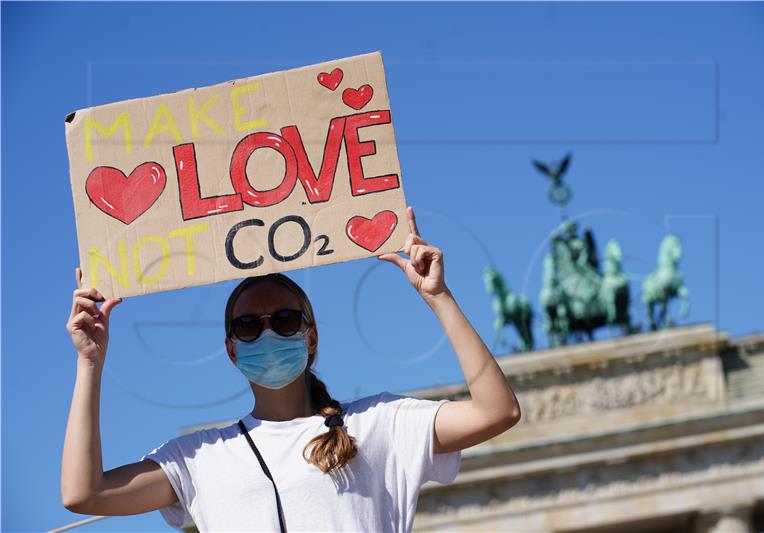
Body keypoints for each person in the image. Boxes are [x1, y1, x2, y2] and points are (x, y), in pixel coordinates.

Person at [62, 206, 521, 532]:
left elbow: (497, 412)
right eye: (247, 326)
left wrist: (438, 297)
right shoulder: (198, 457)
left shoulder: (379, 422)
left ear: (311, 336)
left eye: (283, 320)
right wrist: (90, 361)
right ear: (230, 349)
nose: (267, 333)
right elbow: (83, 493)